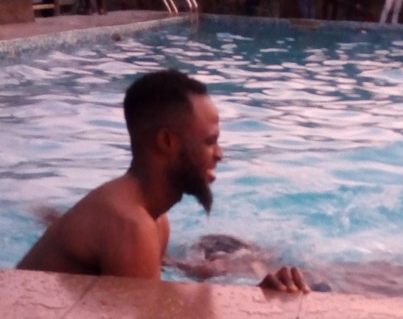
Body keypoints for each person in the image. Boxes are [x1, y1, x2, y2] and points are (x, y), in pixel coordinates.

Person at [17, 68, 308, 292]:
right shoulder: (132, 226)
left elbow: (154, 312)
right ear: (167, 142)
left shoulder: (155, 219)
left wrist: (254, 293)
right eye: (209, 142)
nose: (220, 154)